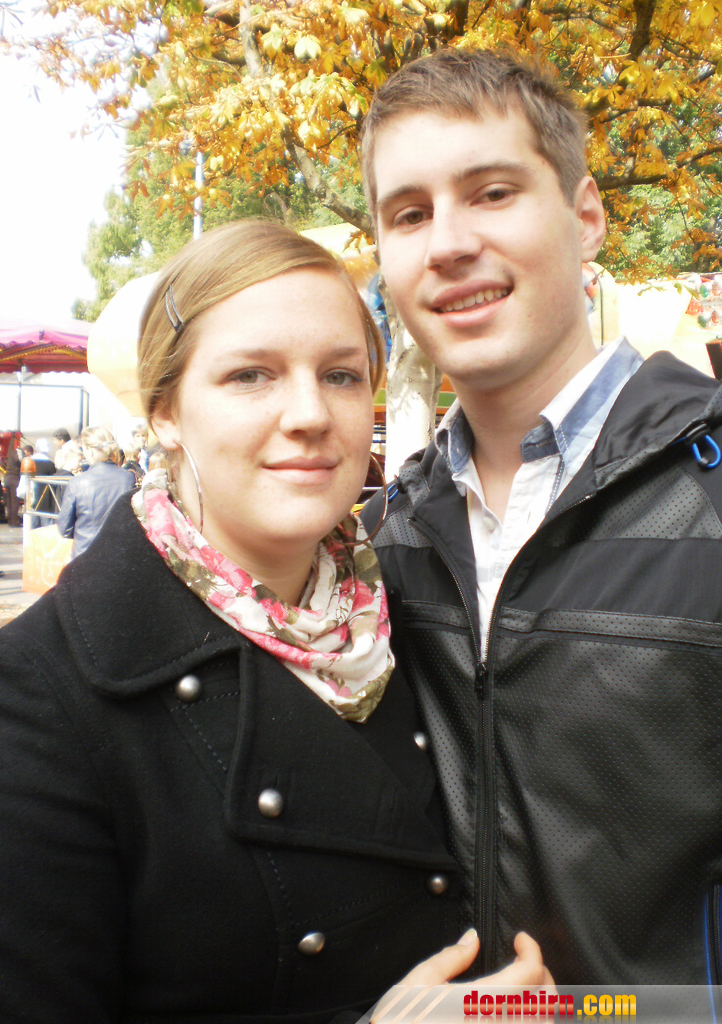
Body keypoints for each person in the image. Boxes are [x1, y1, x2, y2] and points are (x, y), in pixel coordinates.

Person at [0, 219, 550, 1023]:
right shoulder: (41, 695)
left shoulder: (411, 613)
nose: (309, 414)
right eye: (251, 375)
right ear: (165, 412)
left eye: (340, 375)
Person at [360, 47, 722, 986]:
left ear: (586, 218)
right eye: (410, 213)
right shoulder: (391, 534)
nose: (448, 242)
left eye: (492, 193)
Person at [57, 426, 137, 558]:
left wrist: (83, 529)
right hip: (119, 556)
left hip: (85, 555)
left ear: (90, 451)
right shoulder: (129, 478)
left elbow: (64, 529)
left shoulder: (77, 482)